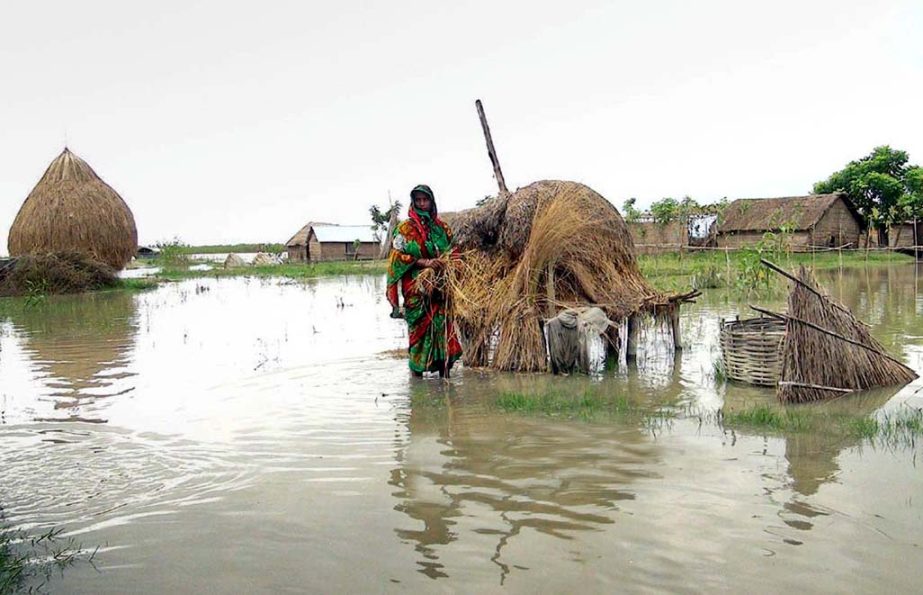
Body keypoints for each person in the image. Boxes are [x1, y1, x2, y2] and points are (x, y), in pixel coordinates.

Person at [387, 184, 462, 377]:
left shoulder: (442, 228)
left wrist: (447, 265)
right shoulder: (404, 229)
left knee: (443, 331)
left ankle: (445, 379)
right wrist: (424, 262)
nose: (422, 203)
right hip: (417, 292)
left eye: (425, 199)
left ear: (431, 201)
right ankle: (417, 385)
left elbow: (454, 253)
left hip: (441, 290)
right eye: (418, 200)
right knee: (418, 336)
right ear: (413, 202)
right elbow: (396, 257)